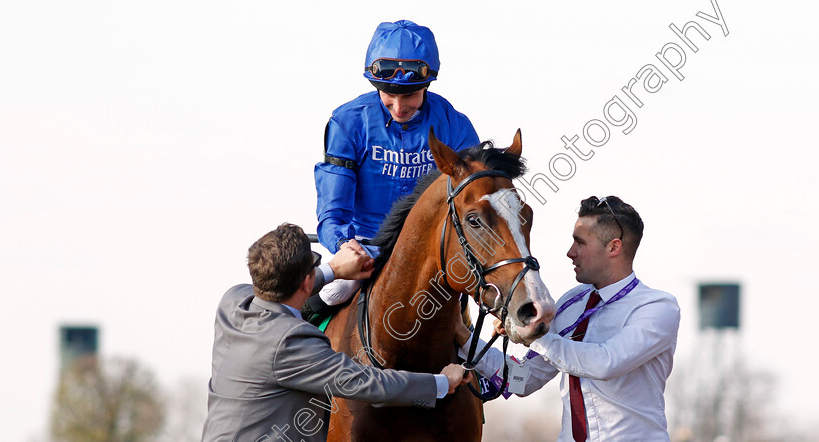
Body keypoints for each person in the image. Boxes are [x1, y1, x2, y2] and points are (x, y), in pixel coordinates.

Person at [202, 223, 471, 442]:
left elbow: (281, 286)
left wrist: (333, 271)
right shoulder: (291, 341)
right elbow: (371, 383)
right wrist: (442, 383)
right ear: (306, 280)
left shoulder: (233, 302)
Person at [455, 196, 681, 442]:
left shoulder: (657, 307)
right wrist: (462, 335)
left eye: (580, 242)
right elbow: (522, 380)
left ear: (614, 248)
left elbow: (605, 363)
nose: (570, 253)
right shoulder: (571, 301)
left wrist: (534, 335)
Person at [309, 19, 480, 313]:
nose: (400, 107)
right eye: (389, 95)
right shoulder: (347, 122)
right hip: (364, 248)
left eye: (411, 95)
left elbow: (477, 201)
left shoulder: (455, 125)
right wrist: (343, 247)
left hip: (431, 253)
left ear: (427, 84)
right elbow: (332, 213)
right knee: (335, 290)